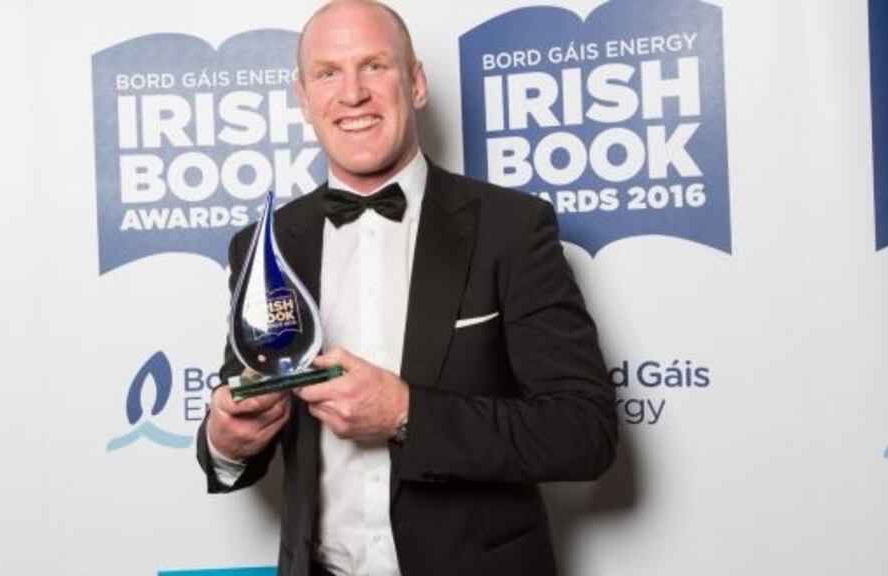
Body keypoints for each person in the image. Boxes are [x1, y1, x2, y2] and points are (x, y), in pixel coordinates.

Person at [196, 1, 618, 575]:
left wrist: (406, 413)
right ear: (303, 99)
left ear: (415, 83)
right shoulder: (266, 245)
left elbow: (583, 432)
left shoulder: (511, 229)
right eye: (328, 73)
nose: (352, 94)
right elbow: (241, 408)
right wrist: (227, 438)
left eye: (374, 66)